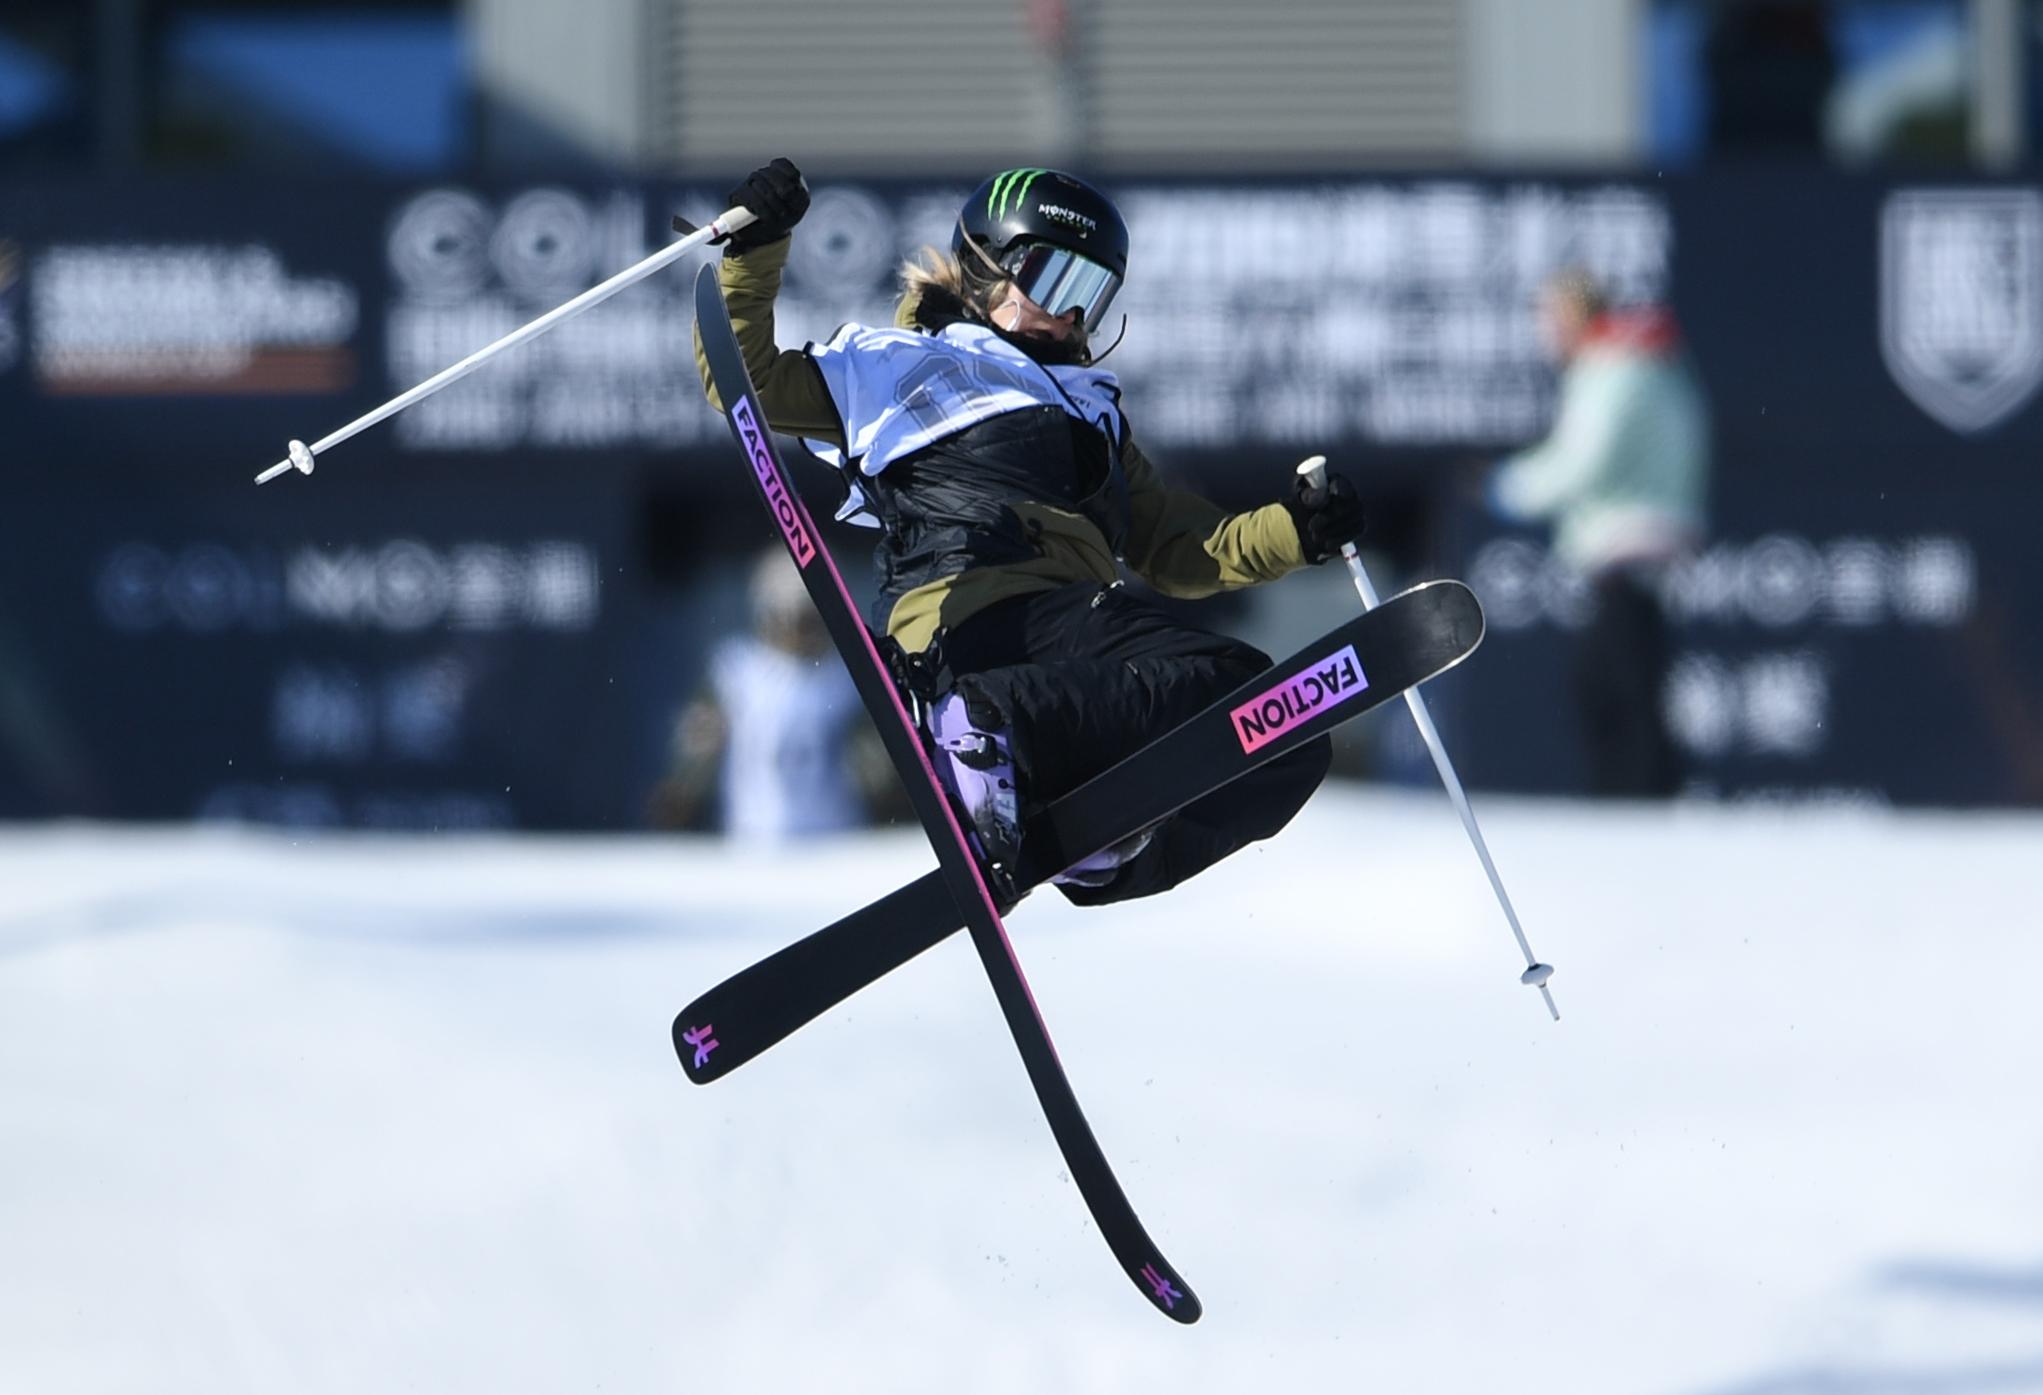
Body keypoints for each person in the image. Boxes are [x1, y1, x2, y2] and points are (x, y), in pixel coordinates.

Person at [693, 158, 1367, 905]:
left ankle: (1094, 846)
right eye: (1053, 281)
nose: (1070, 316)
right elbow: (742, 380)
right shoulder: (901, 367)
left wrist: (1296, 531)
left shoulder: (1093, 411)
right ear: (986, 266)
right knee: (1245, 687)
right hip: (969, 616)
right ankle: (990, 724)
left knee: (1288, 739)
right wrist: (756, 249)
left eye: (1091, 294)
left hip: (1069, 652)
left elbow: (1177, 547)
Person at [1488, 268, 1710, 798]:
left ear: (1574, 316)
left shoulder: (1615, 368)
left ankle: (1637, 811)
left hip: (1630, 547)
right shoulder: (1637, 362)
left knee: (1616, 695)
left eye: (1549, 316)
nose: (1544, 332)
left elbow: (1583, 462)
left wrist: (1507, 486)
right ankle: (1640, 804)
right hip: (1641, 546)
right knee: (1620, 687)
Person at [650, 548, 889, 838]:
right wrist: (687, 779)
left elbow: (880, 776)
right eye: (791, 616)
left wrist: (874, 765)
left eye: (809, 617)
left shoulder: (853, 675)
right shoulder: (733, 673)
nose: (801, 630)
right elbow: (687, 774)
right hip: (754, 846)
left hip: (839, 845)